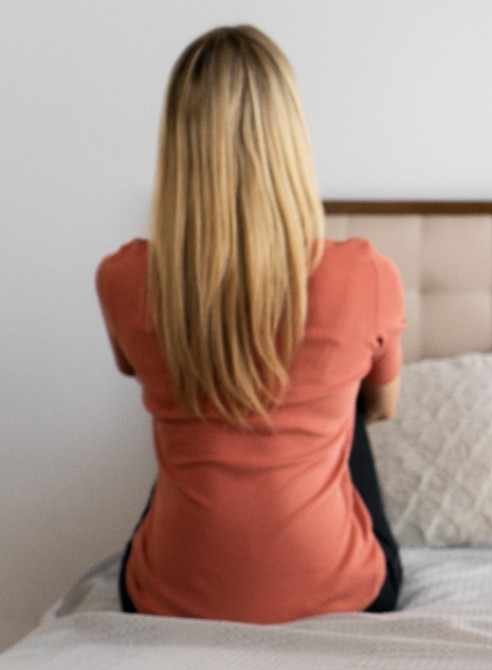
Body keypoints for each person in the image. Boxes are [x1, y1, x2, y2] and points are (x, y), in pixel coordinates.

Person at [95, 25, 405, 623]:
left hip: (165, 597)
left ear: (177, 143)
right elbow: (383, 408)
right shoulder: (365, 273)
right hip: (339, 591)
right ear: (290, 137)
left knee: (186, 428)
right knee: (348, 409)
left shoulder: (123, 276)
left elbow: (136, 368)